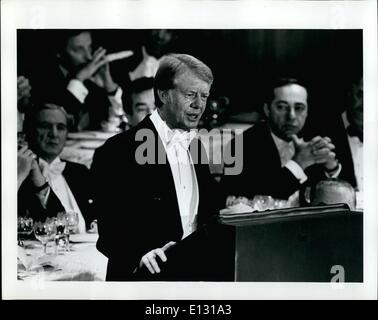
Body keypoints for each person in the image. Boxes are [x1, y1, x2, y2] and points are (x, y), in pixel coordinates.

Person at [91, 54, 232, 281]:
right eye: (190, 95)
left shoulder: (195, 145)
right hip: (144, 281)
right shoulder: (117, 150)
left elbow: (206, 213)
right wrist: (138, 255)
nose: (199, 104)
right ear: (164, 94)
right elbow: (109, 231)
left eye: (204, 96)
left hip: (196, 276)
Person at [222, 78, 343, 206]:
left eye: (299, 108)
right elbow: (241, 202)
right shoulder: (239, 146)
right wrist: (299, 163)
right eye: (282, 107)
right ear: (267, 109)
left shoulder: (313, 141)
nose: (291, 116)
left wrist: (331, 168)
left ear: (307, 112)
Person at [18, 103, 95, 232]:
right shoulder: (20, 174)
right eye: (45, 126)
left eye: (60, 127)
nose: (54, 134)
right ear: (28, 131)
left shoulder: (80, 172)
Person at [30, 30, 124, 132]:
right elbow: (57, 121)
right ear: (59, 52)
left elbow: (123, 120)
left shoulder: (93, 80)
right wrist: (79, 80)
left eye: (89, 47)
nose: (88, 56)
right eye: (79, 50)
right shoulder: (42, 79)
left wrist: (108, 84)